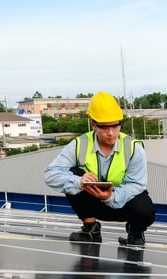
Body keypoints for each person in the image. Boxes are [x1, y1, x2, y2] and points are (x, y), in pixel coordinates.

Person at [44, 91, 155, 247]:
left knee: (145, 210)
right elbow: (50, 174)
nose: (111, 133)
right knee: (73, 175)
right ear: (93, 124)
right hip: (92, 201)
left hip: (122, 201)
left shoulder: (133, 148)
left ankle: (135, 232)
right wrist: (79, 182)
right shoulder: (79, 144)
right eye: (104, 127)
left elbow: (137, 185)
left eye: (115, 126)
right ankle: (91, 230)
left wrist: (110, 197)